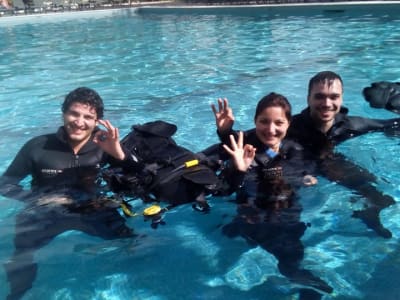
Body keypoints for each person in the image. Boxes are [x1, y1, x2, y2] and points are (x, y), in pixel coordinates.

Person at [0, 87, 141, 300]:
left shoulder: (104, 145)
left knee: (135, 243)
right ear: (64, 113)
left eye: (88, 117)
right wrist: (39, 200)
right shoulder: (38, 147)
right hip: (45, 213)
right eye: (74, 113)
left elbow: (140, 174)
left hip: (93, 209)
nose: (79, 122)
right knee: (21, 256)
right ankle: (17, 295)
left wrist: (119, 154)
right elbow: (5, 184)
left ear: (97, 121)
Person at [213, 93, 332, 300]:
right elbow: (226, 188)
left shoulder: (293, 149)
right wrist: (239, 169)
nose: (270, 129)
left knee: (291, 257)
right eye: (264, 121)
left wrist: (305, 176)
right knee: (285, 257)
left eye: (278, 122)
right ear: (255, 121)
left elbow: (301, 168)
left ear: (288, 124)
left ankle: (304, 281)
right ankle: (303, 282)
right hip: (253, 214)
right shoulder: (246, 151)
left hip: (285, 212)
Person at [285, 71, 400, 239]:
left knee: (381, 194)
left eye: (334, 97)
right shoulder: (289, 128)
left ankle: (368, 211)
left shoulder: (346, 125)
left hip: (327, 163)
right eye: (319, 97)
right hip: (298, 178)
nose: (327, 103)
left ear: (341, 99)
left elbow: (390, 126)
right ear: (308, 98)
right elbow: (253, 139)